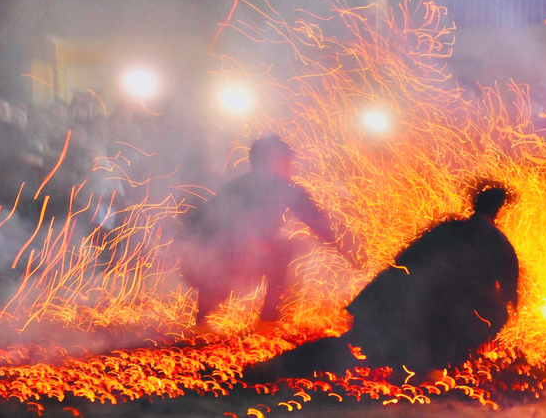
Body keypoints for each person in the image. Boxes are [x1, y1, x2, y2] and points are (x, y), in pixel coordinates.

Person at [244, 184, 519, 383]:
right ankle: (417, 371)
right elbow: (507, 300)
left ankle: (273, 367)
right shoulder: (500, 245)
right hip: (422, 316)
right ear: (499, 212)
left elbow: (402, 261)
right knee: (403, 352)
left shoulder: (446, 229)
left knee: (351, 349)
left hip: (390, 303)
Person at [181, 134, 364, 328]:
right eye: (286, 162)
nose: (290, 168)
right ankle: (268, 319)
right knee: (286, 248)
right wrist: (349, 254)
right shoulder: (284, 188)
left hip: (221, 265)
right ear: (275, 162)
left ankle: (201, 321)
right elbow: (320, 226)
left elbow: (317, 223)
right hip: (226, 263)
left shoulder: (234, 187)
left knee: (271, 250)